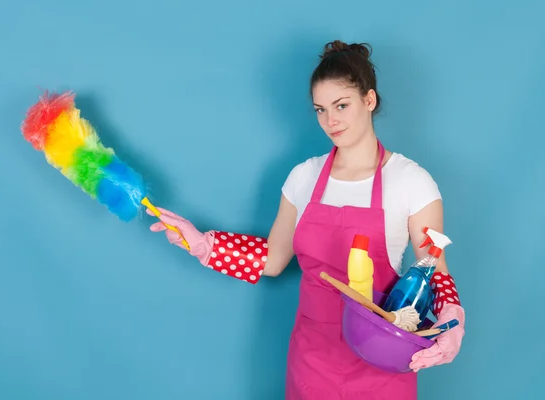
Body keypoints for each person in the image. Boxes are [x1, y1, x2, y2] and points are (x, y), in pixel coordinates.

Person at [147, 40, 466, 399]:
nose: (331, 121)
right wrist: (205, 245)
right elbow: (274, 259)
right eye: (320, 109)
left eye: (341, 105)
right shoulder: (304, 177)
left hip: (382, 359)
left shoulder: (410, 181)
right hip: (313, 358)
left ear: (369, 100)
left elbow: (435, 269)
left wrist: (451, 319)